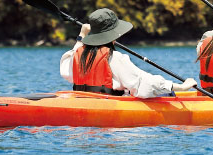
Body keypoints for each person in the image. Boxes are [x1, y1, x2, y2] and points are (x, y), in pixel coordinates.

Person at [61, 8, 196, 98]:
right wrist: (182, 87)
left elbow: (67, 68)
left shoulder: (78, 54)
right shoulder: (115, 57)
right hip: (111, 109)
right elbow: (144, 83)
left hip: (83, 103)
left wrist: (82, 35)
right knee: (167, 93)